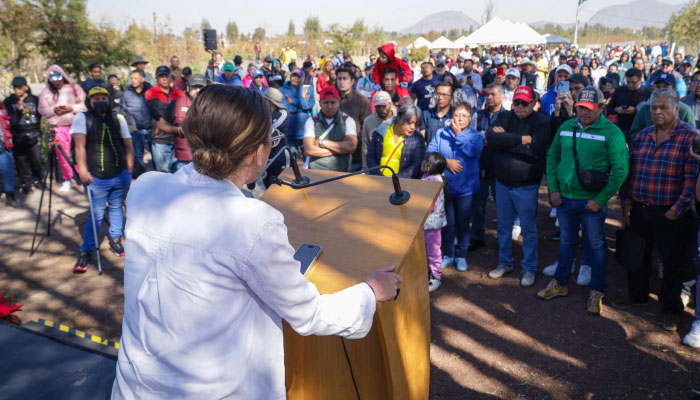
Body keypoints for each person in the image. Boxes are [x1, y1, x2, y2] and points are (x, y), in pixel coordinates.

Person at [111, 85, 401, 398]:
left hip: (137, 385)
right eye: (270, 141)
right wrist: (370, 293)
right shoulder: (252, 222)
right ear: (256, 153)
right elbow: (308, 313)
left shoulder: (146, 187)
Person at [540, 87, 629, 315]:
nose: (584, 113)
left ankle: (596, 290)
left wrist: (600, 200)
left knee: (597, 245)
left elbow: (620, 170)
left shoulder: (612, 133)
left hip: (591, 201)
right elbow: (553, 157)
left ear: (601, 108)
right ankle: (560, 283)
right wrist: (553, 190)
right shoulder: (566, 126)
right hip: (564, 199)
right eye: (580, 108)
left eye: (589, 109)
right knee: (567, 242)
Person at [614, 88, 697, 330]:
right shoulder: (642, 136)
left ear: (676, 109)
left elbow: (690, 181)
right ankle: (637, 296)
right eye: (654, 108)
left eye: (663, 107)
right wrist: (627, 203)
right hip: (640, 207)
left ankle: (671, 309)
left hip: (671, 213)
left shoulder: (689, 137)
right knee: (636, 256)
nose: (658, 112)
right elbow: (631, 173)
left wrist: (676, 210)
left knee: (672, 263)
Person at [485, 86, 551, 288]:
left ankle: (529, 267)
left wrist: (506, 141)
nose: (520, 107)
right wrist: (521, 140)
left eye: (524, 103)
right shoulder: (505, 116)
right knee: (504, 226)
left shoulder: (541, 122)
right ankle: (505, 263)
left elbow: (536, 149)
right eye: (517, 103)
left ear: (533, 103)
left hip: (527, 185)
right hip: (503, 183)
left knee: (528, 229)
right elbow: (492, 138)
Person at [71, 86, 134, 272]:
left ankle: (115, 239)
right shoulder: (82, 118)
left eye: (104, 98)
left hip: (119, 173)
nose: (100, 101)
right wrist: (82, 172)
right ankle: (86, 251)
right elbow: (79, 148)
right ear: (89, 102)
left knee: (116, 207)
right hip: (95, 177)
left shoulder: (118, 117)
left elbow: (128, 146)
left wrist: (129, 171)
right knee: (96, 214)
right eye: (96, 98)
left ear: (109, 100)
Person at [427, 100, 483, 272]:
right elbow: (430, 152)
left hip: (466, 188)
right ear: (451, 116)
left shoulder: (475, 136)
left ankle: (461, 256)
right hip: (445, 188)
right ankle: (448, 255)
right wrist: (445, 162)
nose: (460, 119)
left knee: (463, 224)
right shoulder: (441, 133)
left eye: (464, 116)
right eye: (457, 115)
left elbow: (472, 152)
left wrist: (458, 135)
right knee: (448, 224)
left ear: (470, 118)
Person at [470, 83, 508, 252]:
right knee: (478, 204)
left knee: (502, 206)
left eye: (493, 94)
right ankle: (477, 236)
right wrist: (491, 136)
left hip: (501, 167)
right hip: (481, 166)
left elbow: (506, 140)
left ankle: (503, 239)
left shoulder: (508, 116)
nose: (490, 97)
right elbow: (472, 137)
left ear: (502, 96)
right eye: (487, 94)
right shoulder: (478, 115)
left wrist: (486, 137)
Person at [38, 65, 87, 192]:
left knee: (79, 153)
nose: (57, 82)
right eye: (53, 80)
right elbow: (41, 109)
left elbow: (85, 105)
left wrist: (72, 108)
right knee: (62, 155)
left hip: (76, 126)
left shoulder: (75, 89)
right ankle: (67, 179)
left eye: (58, 79)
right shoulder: (46, 92)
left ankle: (82, 177)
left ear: (63, 76)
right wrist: (53, 110)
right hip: (57, 128)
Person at [157, 74, 207, 172]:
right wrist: (179, 130)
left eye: (201, 87)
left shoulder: (212, 105)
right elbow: (161, 125)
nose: (198, 90)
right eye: (195, 87)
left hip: (206, 158)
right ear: (188, 87)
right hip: (184, 158)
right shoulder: (177, 103)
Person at [303, 87, 357, 172]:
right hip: (316, 170)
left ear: (338, 103)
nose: (329, 106)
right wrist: (341, 149)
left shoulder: (348, 120)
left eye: (333, 102)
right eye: (326, 102)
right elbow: (309, 150)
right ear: (320, 103)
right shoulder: (312, 121)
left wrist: (322, 142)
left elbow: (351, 147)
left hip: (341, 171)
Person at [4, 76, 43, 194]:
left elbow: (40, 114)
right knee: (21, 161)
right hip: (18, 135)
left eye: (19, 88)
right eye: (15, 88)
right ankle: (26, 182)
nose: (17, 90)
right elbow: (11, 121)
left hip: (34, 133)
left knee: (36, 159)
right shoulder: (9, 102)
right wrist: (18, 111)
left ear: (26, 87)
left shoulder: (34, 99)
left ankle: (38, 179)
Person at [367, 103, 425, 178]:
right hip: (378, 180)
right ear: (399, 118)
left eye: (416, 124)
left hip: (402, 183)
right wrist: (378, 175)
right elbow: (370, 156)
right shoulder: (381, 131)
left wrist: (396, 178)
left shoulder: (418, 139)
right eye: (410, 123)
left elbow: (417, 165)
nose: (413, 127)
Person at [145, 66, 184, 173]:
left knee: (177, 172)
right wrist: (178, 112)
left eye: (166, 76)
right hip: (160, 138)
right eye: (161, 76)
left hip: (178, 138)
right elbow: (159, 111)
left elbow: (186, 110)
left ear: (170, 77)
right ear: (156, 78)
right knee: (162, 172)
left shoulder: (179, 93)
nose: (164, 78)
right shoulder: (151, 92)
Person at [630, 73, 696, 135]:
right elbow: (634, 132)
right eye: (658, 87)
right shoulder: (645, 109)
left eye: (665, 87)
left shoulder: (684, 110)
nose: (661, 90)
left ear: (674, 89)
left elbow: (692, 135)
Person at [422, 152, 448, 292]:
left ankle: (435, 277)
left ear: (428, 166)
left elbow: (431, 203)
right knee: (427, 250)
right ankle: (427, 273)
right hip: (427, 223)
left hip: (431, 224)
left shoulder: (433, 182)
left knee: (433, 251)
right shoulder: (431, 178)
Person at [336, 67, 371, 172]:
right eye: (339, 78)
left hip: (355, 155)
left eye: (344, 78)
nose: (341, 81)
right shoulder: (331, 99)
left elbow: (366, 127)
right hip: (333, 152)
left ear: (352, 81)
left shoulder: (361, 100)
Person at [280, 68, 315, 161]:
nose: (295, 78)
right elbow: (284, 106)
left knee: (308, 160)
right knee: (290, 161)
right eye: (293, 76)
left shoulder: (307, 89)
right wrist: (300, 104)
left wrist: (292, 101)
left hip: (305, 132)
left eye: (298, 76)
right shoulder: (282, 90)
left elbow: (308, 105)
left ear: (303, 79)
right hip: (289, 131)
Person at [606, 68, 651, 138]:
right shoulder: (619, 90)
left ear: (640, 81)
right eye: (628, 82)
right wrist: (617, 110)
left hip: (638, 130)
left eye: (633, 82)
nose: (630, 85)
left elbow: (649, 112)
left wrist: (636, 111)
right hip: (621, 128)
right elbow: (608, 109)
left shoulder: (647, 93)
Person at [120, 69, 152, 168]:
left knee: (156, 156)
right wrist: (131, 127)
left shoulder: (151, 91)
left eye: (135, 78)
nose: (133, 80)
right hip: (136, 130)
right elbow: (122, 111)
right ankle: (140, 177)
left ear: (143, 79)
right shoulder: (127, 93)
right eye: (132, 78)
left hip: (151, 129)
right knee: (138, 155)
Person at [262, 87, 290, 188]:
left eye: (265, 99)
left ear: (270, 102)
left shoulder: (283, 113)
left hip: (280, 154)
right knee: (268, 183)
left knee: (283, 183)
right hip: (266, 154)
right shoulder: (263, 112)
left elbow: (272, 128)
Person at [361, 91, 393, 169]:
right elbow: (365, 147)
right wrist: (365, 168)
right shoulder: (368, 122)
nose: (382, 109)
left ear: (391, 104)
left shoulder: (399, 119)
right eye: (378, 106)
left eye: (384, 106)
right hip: (375, 165)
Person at [0, 101, 20, 208]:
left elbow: (13, 122)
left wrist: (18, 111)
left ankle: (10, 197)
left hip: (5, 144)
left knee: (8, 171)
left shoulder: (4, 107)